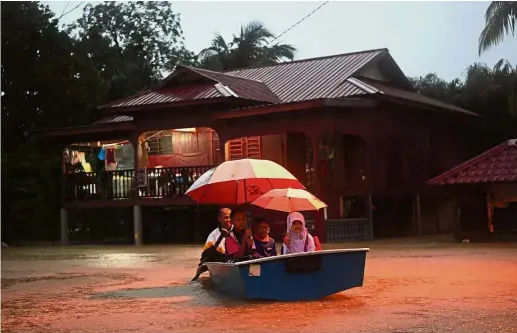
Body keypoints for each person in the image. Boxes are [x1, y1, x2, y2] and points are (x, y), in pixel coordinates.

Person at [192, 208, 233, 281]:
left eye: (230, 217)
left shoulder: (238, 231)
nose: (229, 220)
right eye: (226, 218)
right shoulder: (213, 235)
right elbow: (207, 255)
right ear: (219, 219)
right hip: (221, 263)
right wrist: (202, 265)